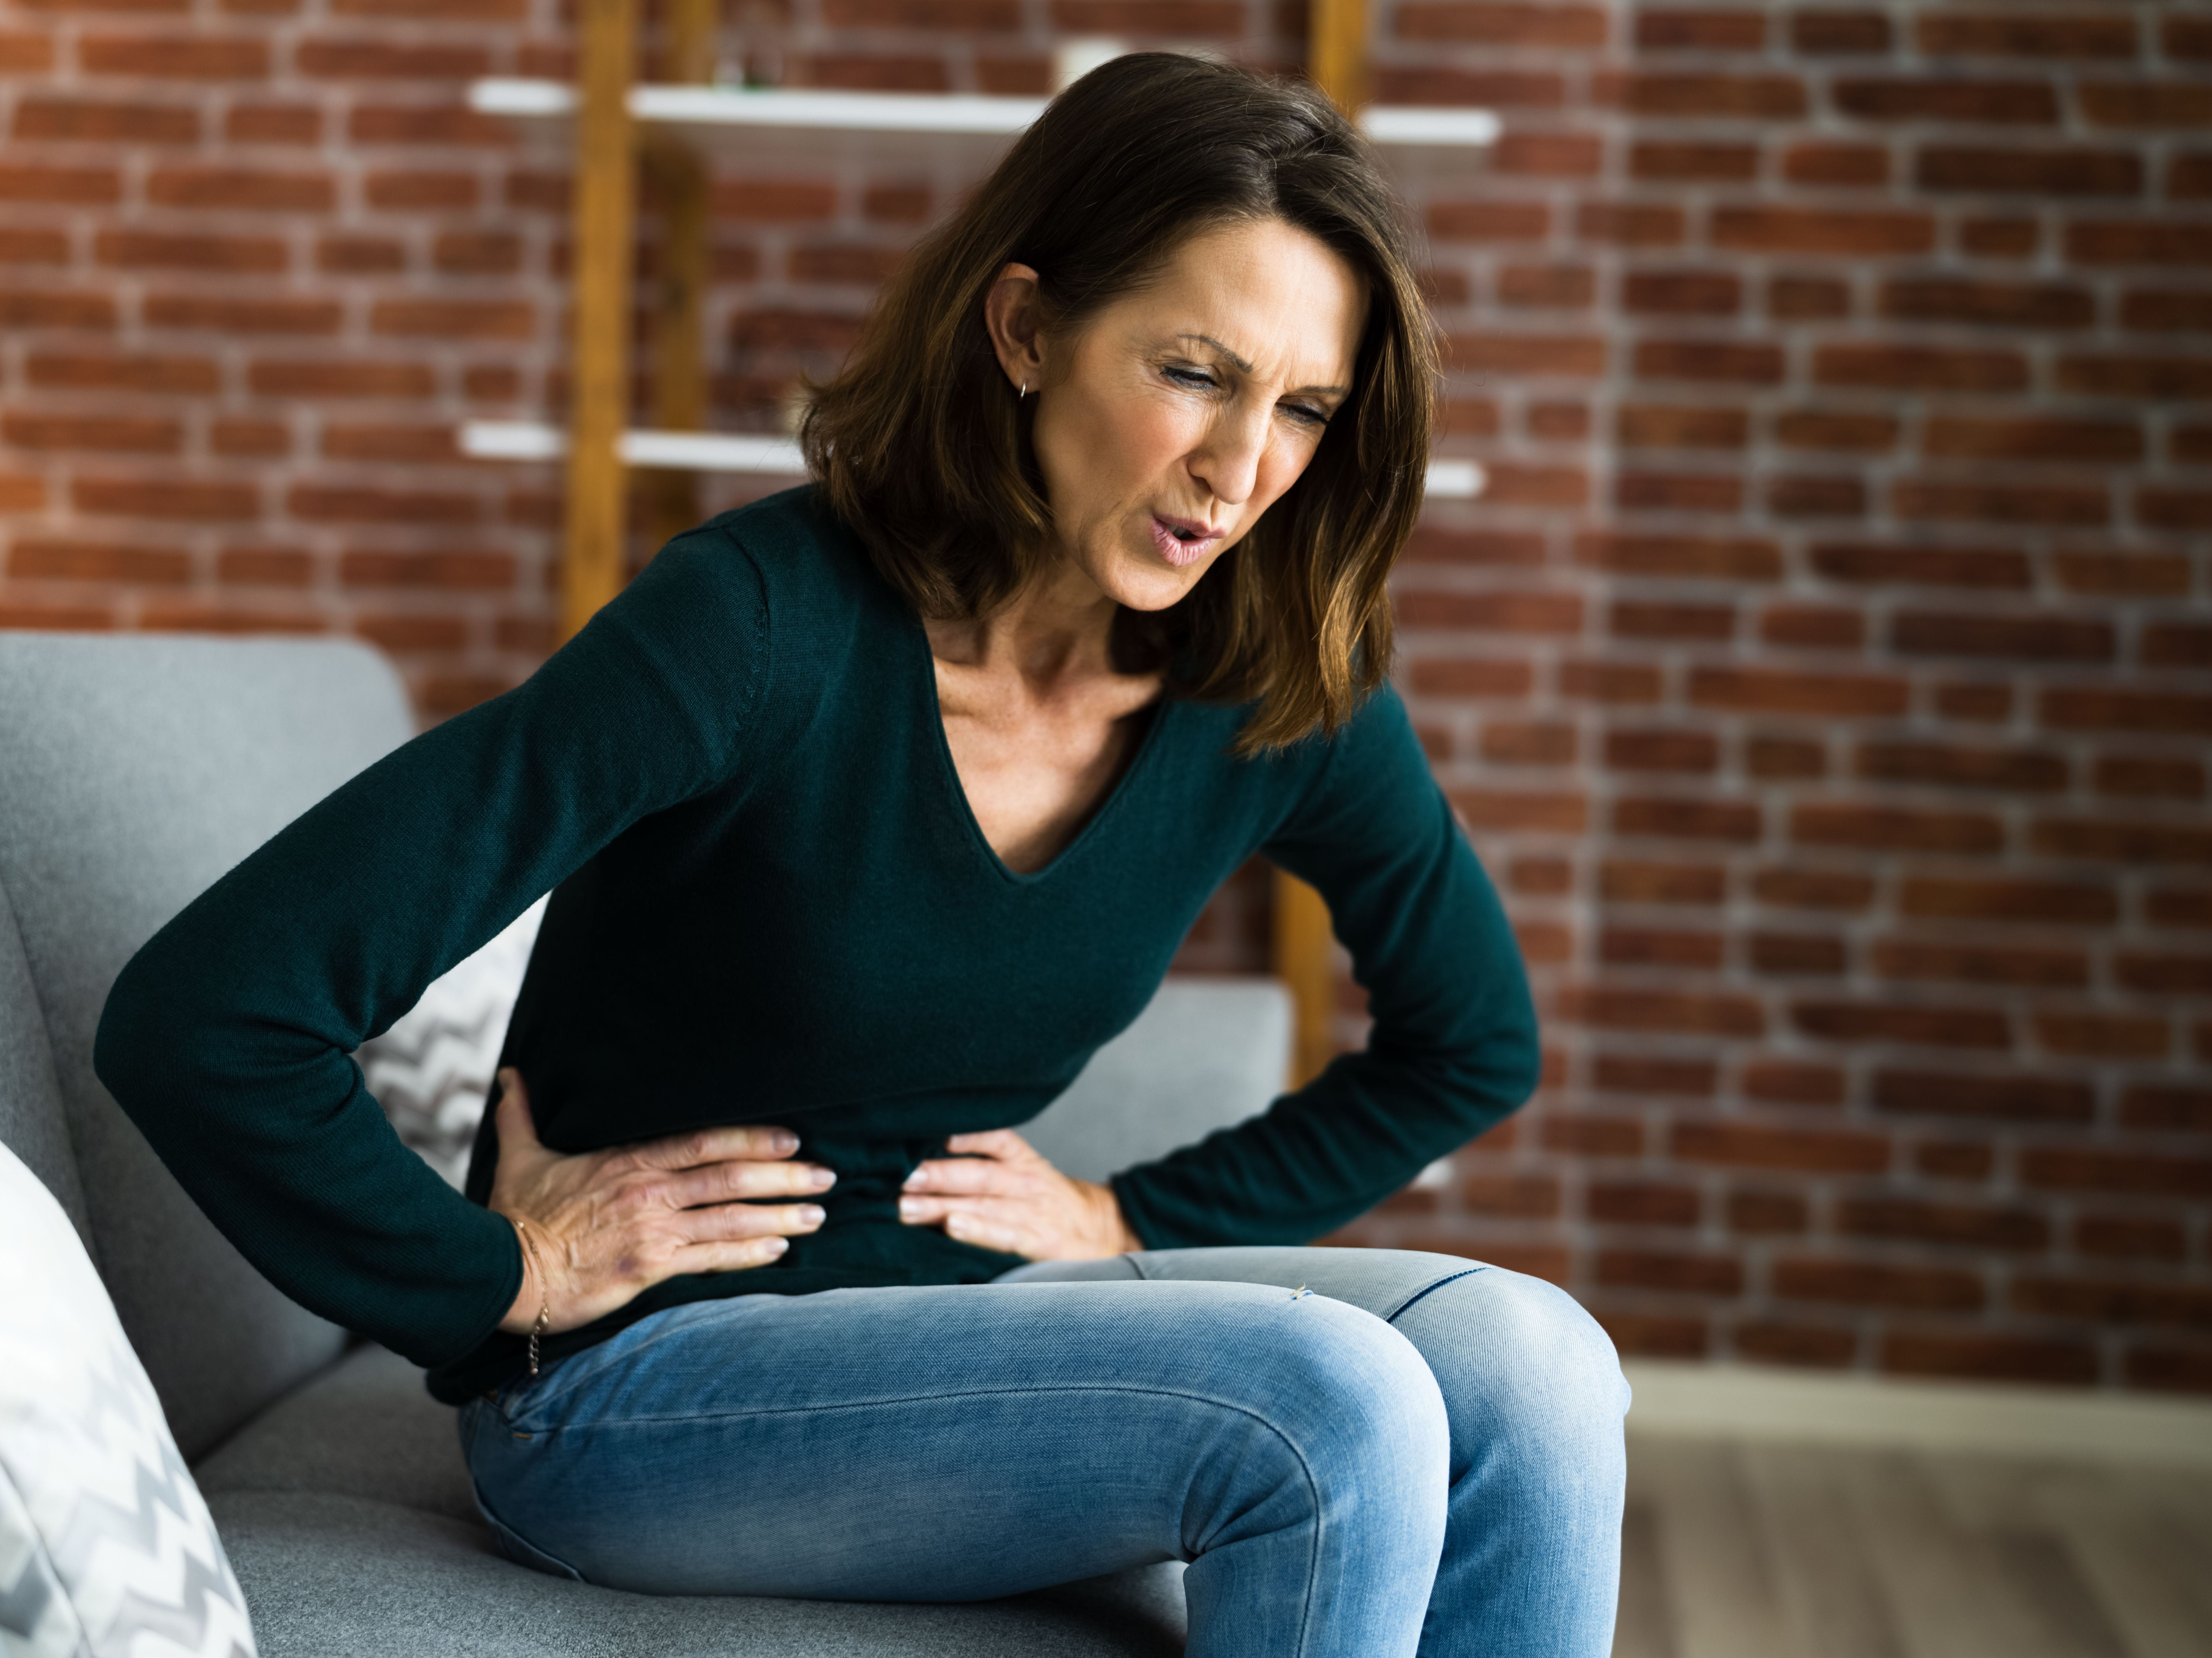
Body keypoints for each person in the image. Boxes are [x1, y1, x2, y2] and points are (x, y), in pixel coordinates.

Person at [95, 51, 1627, 1658]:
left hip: (974, 1320)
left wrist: (1132, 1220)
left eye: (1304, 408)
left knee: (1534, 1365)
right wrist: (493, 1276)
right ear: (1025, 330)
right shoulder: (752, 629)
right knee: (1333, 1402)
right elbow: (211, 1013)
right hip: (634, 1384)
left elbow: (1472, 1039)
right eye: (1194, 372)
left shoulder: (1274, 686)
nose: (1242, 472)